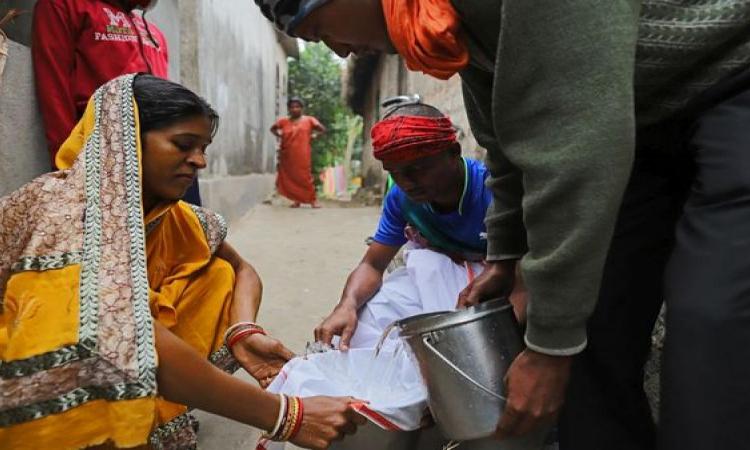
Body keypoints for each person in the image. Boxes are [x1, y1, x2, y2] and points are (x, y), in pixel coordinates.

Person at [255, 1, 750, 449]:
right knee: (595, 333)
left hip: (727, 82)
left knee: (711, 317)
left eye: (321, 29)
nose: (341, 51)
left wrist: (548, 349)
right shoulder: (456, 35)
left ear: (451, 153)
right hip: (639, 121)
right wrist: (506, 255)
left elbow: (572, 146)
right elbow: (510, 145)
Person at [0, 74, 365, 449]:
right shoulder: (62, 211)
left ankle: (149, 408)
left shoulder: (171, 215)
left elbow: (242, 270)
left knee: (215, 273)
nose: (199, 161)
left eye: (204, 147)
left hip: (119, 343)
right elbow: (115, 332)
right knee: (99, 331)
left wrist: (243, 330)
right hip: (27, 370)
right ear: (122, 141)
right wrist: (284, 415)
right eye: (183, 145)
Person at [270, 97, 326, 208]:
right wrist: (280, 135)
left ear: (302, 108)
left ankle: (313, 201)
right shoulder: (283, 121)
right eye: (292, 107)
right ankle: (297, 200)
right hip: (287, 154)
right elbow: (273, 129)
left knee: (305, 177)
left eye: (297, 107)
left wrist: (314, 136)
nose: (295, 109)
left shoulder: (309, 120)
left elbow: (322, 129)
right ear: (289, 109)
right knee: (291, 177)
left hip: (302, 153)